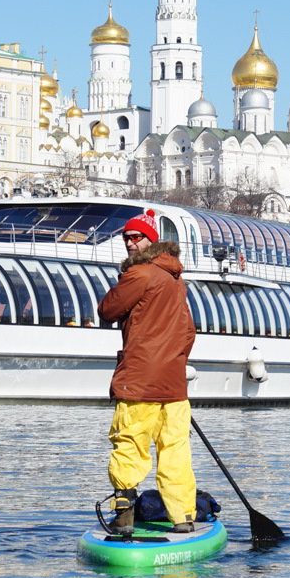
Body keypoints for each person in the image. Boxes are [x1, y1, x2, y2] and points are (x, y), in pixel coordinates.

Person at [98, 209, 197, 534]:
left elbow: (108, 309)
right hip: (173, 383)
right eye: (126, 237)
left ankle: (124, 517)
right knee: (175, 450)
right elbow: (188, 331)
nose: (129, 243)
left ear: (151, 240)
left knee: (129, 444)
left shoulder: (139, 274)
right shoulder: (176, 278)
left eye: (136, 237)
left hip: (139, 380)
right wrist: (174, 363)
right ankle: (182, 517)